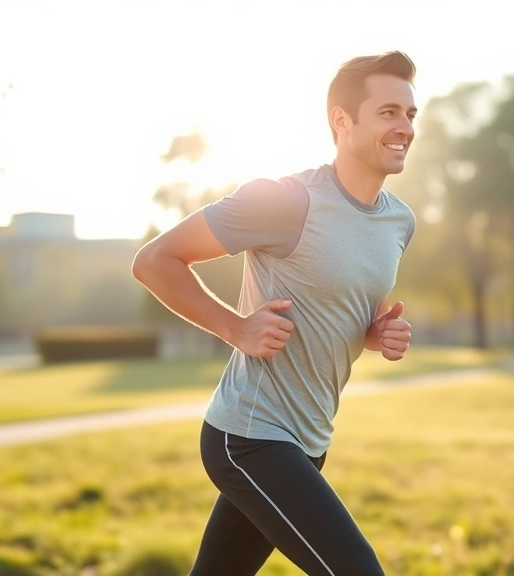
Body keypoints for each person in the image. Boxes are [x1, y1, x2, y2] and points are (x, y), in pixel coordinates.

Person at [131, 50, 419, 575]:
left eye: (410, 114)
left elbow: (343, 294)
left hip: (309, 441)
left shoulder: (398, 222)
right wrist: (235, 327)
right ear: (342, 121)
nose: (404, 127)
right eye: (388, 113)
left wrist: (376, 331)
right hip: (249, 435)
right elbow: (154, 262)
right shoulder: (285, 201)